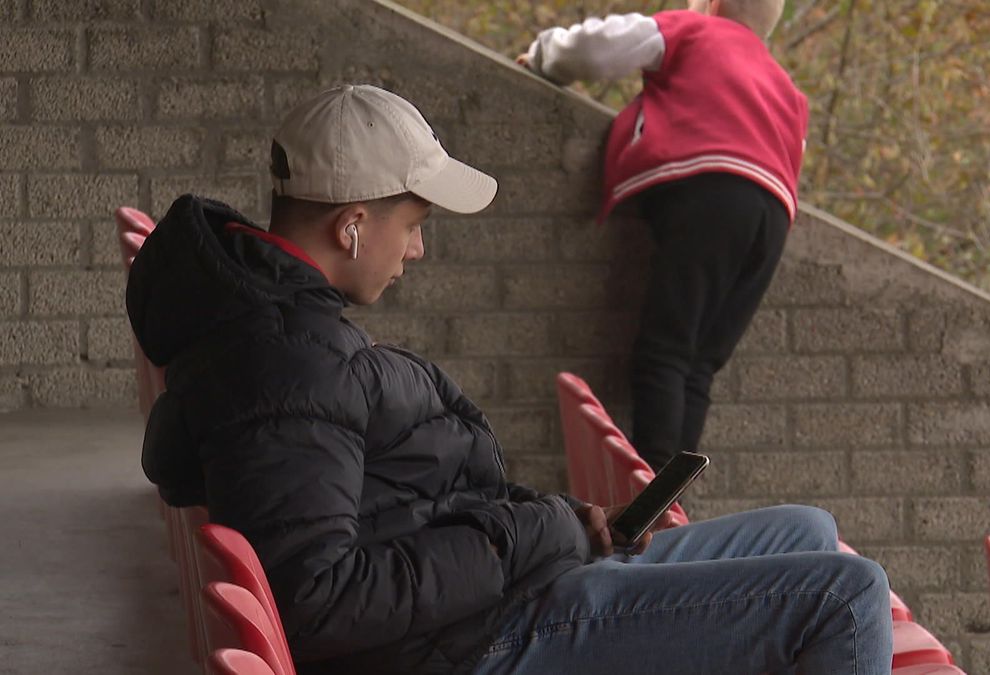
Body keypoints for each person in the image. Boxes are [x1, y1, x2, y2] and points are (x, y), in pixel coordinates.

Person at [128, 84, 891, 674]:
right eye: (414, 222)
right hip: (481, 646)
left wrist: (555, 523)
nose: (418, 249)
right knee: (846, 597)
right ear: (351, 224)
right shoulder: (286, 366)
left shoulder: (282, 335)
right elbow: (320, 600)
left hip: (499, 600)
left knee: (809, 529)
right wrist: (532, 531)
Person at [519, 0, 809, 472]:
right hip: (772, 218)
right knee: (699, 365)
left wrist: (542, 56)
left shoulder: (694, 32)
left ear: (710, 3)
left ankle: (649, 499)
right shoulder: (787, 88)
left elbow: (598, 50)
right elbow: (794, 149)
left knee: (664, 349)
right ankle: (672, 499)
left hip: (711, 191)